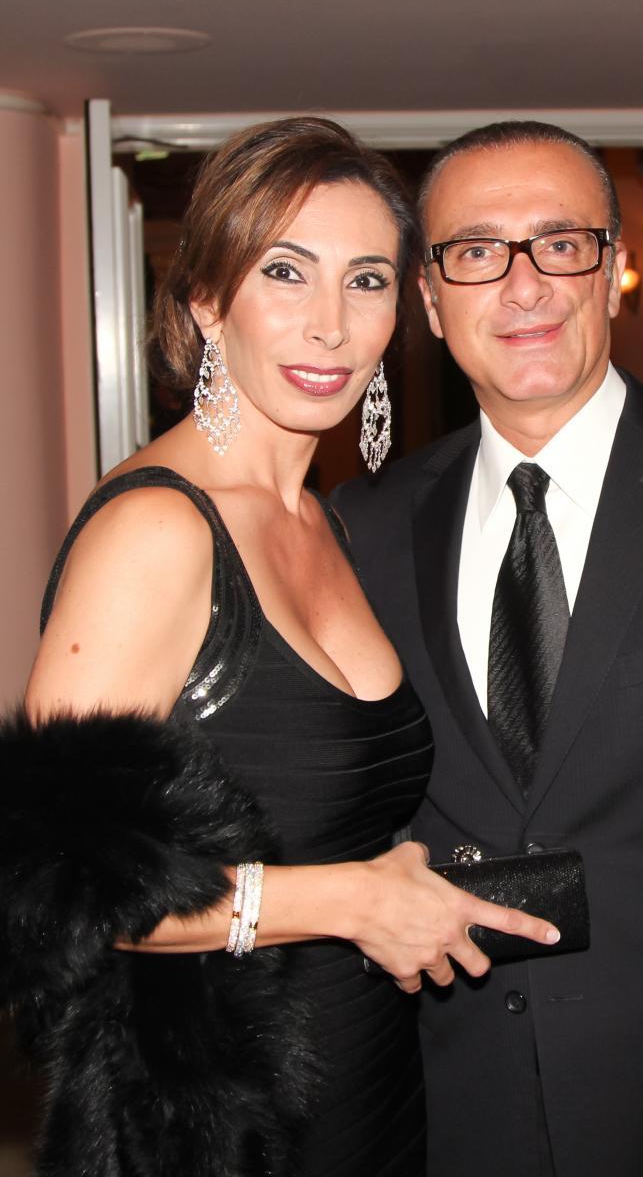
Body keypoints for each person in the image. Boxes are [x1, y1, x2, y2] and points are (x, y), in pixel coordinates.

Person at [0, 117, 560, 1177]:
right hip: (215, 1121)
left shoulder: (330, 521)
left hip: (372, 1079)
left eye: (365, 281)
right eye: (285, 272)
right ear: (207, 300)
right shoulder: (159, 528)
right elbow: (50, 879)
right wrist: (350, 900)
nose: (330, 326)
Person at [332, 119, 643, 1177]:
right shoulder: (365, 524)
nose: (523, 285)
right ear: (429, 300)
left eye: (559, 243)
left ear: (613, 269)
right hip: (451, 1111)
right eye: (476, 251)